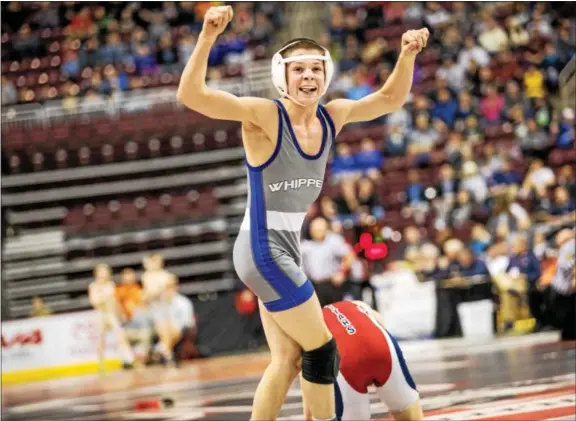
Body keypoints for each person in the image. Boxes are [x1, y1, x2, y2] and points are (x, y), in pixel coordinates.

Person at [177, 6, 429, 420]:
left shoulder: (335, 116)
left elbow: (390, 98)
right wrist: (206, 36)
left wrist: (406, 55)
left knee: (288, 360)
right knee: (323, 349)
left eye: (316, 69)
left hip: (281, 250)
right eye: (299, 70)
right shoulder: (264, 116)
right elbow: (192, 96)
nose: (309, 76)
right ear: (283, 77)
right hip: (262, 249)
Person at [303, 300, 422, 421]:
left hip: (345, 364)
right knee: (409, 413)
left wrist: (309, 417)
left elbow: (309, 378)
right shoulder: (355, 303)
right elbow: (380, 323)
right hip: (381, 347)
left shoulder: (305, 326)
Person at [88, 264, 136, 371]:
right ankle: (101, 364)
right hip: (100, 315)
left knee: (121, 337)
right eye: (102, 272)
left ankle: (129, 359)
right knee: (101, 340)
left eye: (105, 272)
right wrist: (103, 297)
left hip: (111, 314)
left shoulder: (110, 285)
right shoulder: (93, 286)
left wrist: (120, 313)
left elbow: (115, 301)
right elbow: (94, 301)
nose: (104, 274)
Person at [141, 253, 176, 365]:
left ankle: (160, 349)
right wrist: (160, 289)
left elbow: (170, 293)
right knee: (163, 330)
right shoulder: (147, 276)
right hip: (155, 308)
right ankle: (168, 355)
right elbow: (149, 294)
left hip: (168, 307)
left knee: (172, 332)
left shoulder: (166, 275)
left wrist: (163, 289)